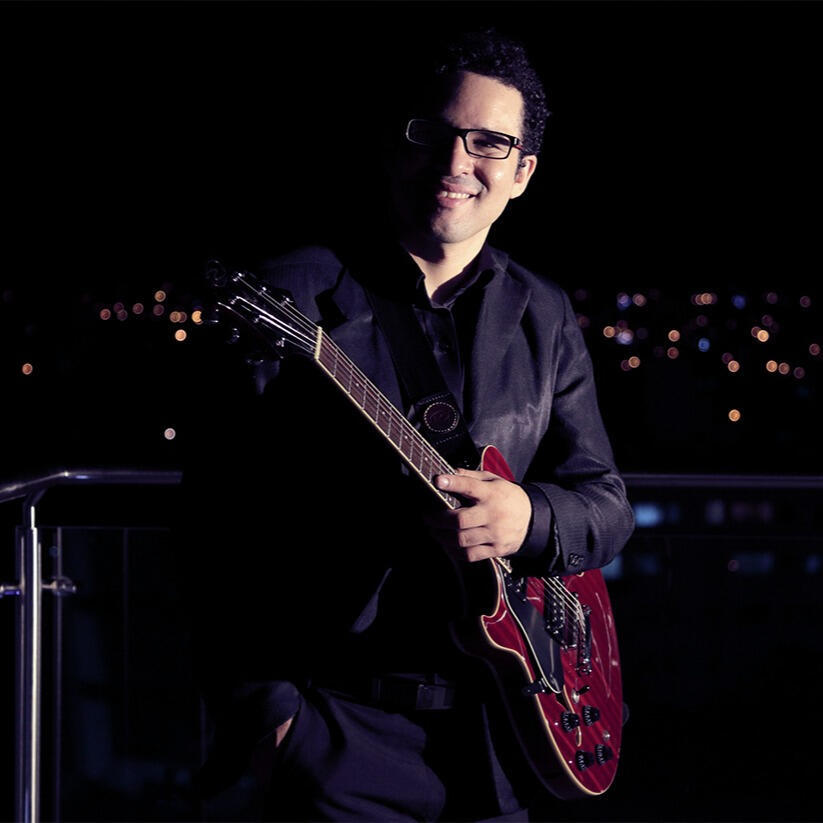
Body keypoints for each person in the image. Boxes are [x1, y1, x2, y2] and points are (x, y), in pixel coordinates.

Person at [178, 26, 635, 822]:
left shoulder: (544, 313)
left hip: (504, 734)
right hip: (340, 726)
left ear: (522, 172)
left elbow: (603, 499)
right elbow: (211, 522)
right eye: (436, 133)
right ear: (397, 145)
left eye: (489, 143)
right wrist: (272, 718)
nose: (457, 164)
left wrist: (529, 516)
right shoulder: (298, 296)